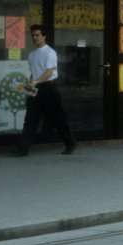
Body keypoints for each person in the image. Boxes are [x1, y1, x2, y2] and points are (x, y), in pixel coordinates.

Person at [17, 24, 77, 155]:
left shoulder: (50, 52)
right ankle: (23, 148)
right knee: (30, 119)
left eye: (38, 35)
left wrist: (35, 82)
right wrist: (29, 87)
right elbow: (34, 73)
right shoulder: (32, 55)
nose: (35, 38)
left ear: (44, 36)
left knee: (58, 118)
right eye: (33, 35)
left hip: (49, 88)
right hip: (36, 89)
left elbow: (49, 72)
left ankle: (70, 143)